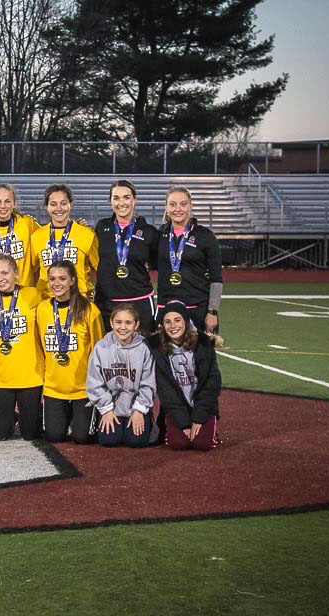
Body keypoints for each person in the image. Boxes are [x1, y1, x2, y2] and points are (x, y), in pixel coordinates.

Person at [36, 261, 104, 444]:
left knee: (82, 438)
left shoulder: (89, 309)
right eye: (52, 279)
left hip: (83, 389)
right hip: (54, 388)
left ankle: (78, 418)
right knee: (54, 436)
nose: (56, 283)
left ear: (73, 281)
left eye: (62, 278)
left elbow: (100, 349)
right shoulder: (42, 309)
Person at [0, 254, 44, 441]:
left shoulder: (33, 295)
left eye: (5, 273)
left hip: (30, 376)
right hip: (2, 378)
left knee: (30, 435)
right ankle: (1, 415)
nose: (0, 278)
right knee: (1, 435)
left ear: (16, 273)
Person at [149, 301, 222, 451]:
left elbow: (211, 384)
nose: (172, 326)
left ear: (186, 322)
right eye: (167, 322)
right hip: (177, 406)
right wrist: (183, 422)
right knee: (179, 444)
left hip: (201, 405)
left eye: (177, 320)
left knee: (202, 444)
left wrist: (199, 418)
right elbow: (165, 390)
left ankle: (210, 427)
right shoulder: (158, 349)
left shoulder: (203, 344)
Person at [86, 303, 156, 448]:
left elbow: (149, 383)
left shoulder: (144, 348)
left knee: (137, 441)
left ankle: (147, 419)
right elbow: (94, 382)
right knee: (109, 440)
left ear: (136, 325)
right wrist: (106, 410)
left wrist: (139, 410)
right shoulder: (101, 347)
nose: (123, 327)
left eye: (128, 323)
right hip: (111, 405)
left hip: (135, 404)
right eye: (118, 322)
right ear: (111, 323)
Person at [94, 180, 159, 333]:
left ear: (134, 199)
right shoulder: (102, 227)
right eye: (116, 198)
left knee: (143, 351)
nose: (121, 203)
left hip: (139, 303)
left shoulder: (149, 232)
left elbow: (156, 264)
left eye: (126, 197)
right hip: (107, 304)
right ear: (110, 201)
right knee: (108, 353)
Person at [156, 186, 223, 334]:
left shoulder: (205, 236)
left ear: (190, 206)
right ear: (166, 207)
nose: (178, 209)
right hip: (167, 310)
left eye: (183, 204)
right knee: (164, 356)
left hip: (197, 309)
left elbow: (216, 278)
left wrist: (213, 312)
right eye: (172, 204)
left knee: (202, 356)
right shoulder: (159, 235)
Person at [28, 184, 99, 299]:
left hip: (78, 301)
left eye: (63, 203)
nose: (59, 208)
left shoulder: (87, 234)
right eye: (53, 204)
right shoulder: (36, 236)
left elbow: (98, 269)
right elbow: (33, 271)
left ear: (70, 204)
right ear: (46, 206)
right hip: (47, 303)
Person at [0, 182, 39, 292]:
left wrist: (78, 225)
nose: (2, 206)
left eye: (7, 201)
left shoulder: (27, 223)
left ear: (14, 204)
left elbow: (49, 234)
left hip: (22, 293)